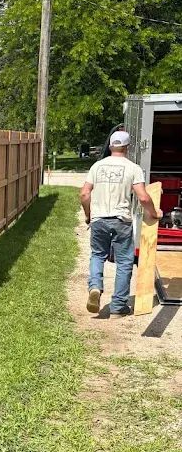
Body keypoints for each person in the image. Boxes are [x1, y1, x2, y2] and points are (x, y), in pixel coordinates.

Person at [79, 130, 159, 316]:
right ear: (127, 148)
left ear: (110, 146)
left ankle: (95, 287)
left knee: (98, 255)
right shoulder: (133, 168)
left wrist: (89, 215)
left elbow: (84, 194)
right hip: (121, 220)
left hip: (99, 219)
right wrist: (154, 213)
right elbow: (143, 197)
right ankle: (118, 307)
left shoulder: (97, 166)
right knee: (124, 262)